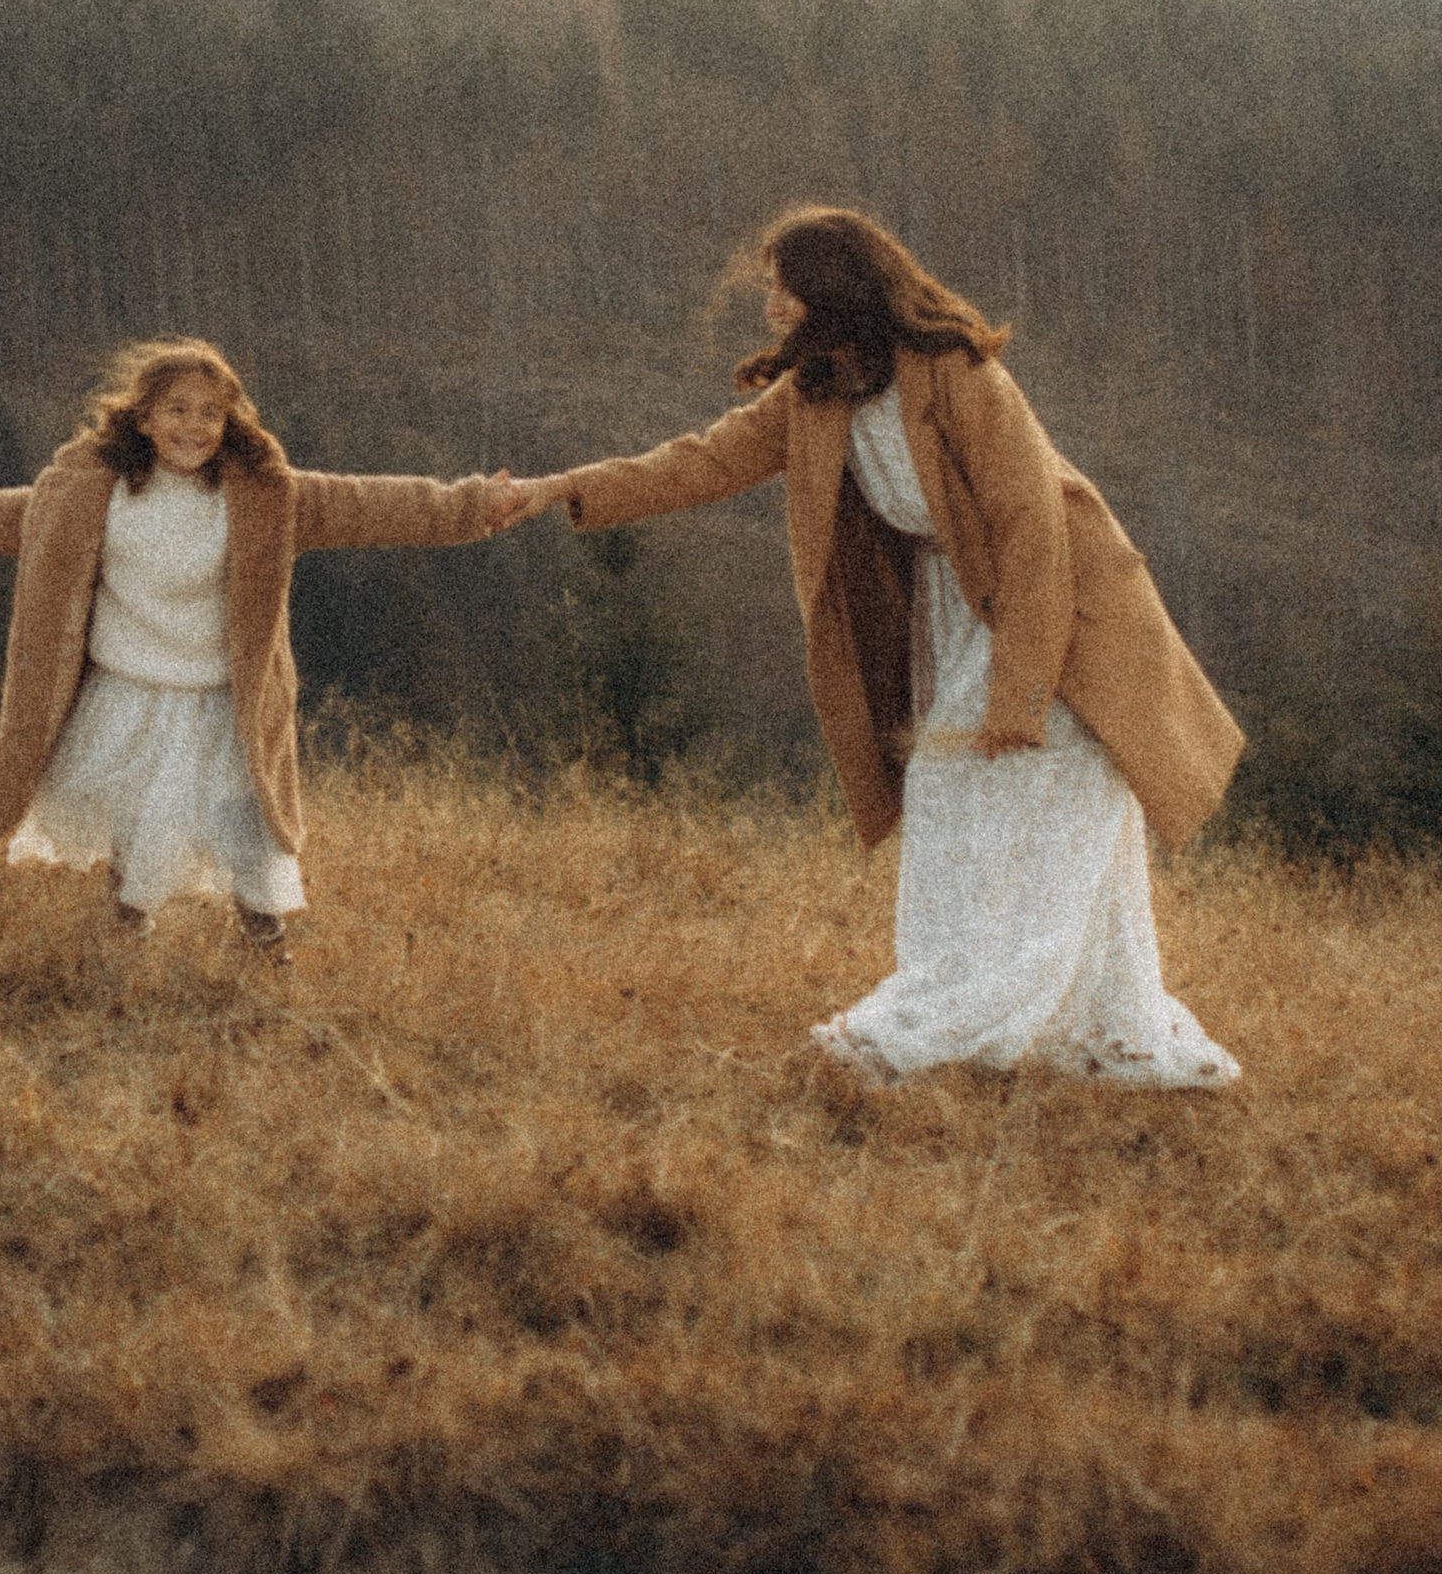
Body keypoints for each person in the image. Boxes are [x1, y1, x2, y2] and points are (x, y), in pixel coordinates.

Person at [528, 208, 1243, 1085]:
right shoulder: (817, 395)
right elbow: (697, 463)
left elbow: (1032, 530)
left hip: (1061, 613)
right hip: (962, 607)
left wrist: (1017, 696)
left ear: (831, 293)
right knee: (959, 799)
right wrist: (561, 490)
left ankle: (986, 1016)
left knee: (1038, 803)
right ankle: (984, 1007)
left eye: (784, 289)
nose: (774, 306)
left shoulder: (958, 374)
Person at [0, 338, 532, 954]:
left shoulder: (266, 497)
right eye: (178, 408)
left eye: (212, 412)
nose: (195, 426)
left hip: (223, 702)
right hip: (127, 696)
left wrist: (477, 503)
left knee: (247, 829)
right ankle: (125, 943)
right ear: (145, 417)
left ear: (229, 422)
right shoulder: (86, 493)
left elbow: (375, 505)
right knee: (138, 822)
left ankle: (266, 945)